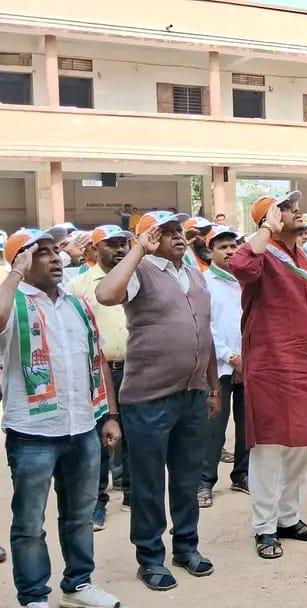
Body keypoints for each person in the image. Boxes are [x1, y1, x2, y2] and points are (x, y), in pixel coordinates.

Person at [95, 210, 219, 591]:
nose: (176, 236)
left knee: (185, 478)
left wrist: (212, 386)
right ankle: (149, 558)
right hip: (149, 399)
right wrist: (138, 251)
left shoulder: (194, 274)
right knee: (148, 485)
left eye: (178, 230)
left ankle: (186, 547)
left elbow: (206, 332)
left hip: (192, 395)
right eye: (164, 232)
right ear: (147, 239)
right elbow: (106, 294)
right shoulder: (140, 272)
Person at [2, 228, 123, 608]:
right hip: (32, 433)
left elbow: (96, 359)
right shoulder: (14, 302)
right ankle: (34, 596)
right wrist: (15, 274)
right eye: (43, 253)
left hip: (82, 428)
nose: (57, 258)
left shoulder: (75, 303)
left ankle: (78, 584)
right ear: (21, 260)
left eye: (57, 251)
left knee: (79, 515)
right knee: (28, 524)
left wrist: (109, 416)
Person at [229, 192, 307, 559]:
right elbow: (242, 267)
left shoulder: (304, 257)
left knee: (301, 447)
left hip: (306, 367)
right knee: (270, 449)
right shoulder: (261, 252)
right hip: (271, 366)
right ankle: (264, 527)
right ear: (270, 220)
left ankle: (289, 518)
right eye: (287, 209)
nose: (298, 212)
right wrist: (265, 230)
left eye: (295, 207)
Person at [68, 225, 134, 530]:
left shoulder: (135, 279)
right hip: (97, 373)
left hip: (135, 369)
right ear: (94, 250)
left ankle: (133, 493)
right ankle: (97, 502)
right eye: (112, 244)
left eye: (124, 243)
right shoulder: (79, 286)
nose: (120, 249)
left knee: (135, 433)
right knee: (99, 438)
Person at [198, 225, 249, 509]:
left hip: (249, 362)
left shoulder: (245, 279)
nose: (230, 251)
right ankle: (204, 482)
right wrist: (232, 356)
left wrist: (247, 357)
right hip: (218, 367)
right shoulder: (205, 282)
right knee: (214, 426)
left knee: (247, 423)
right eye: (223, 247)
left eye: (234, 246)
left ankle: (242, 474)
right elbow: (207, 326)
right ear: (210, 252)